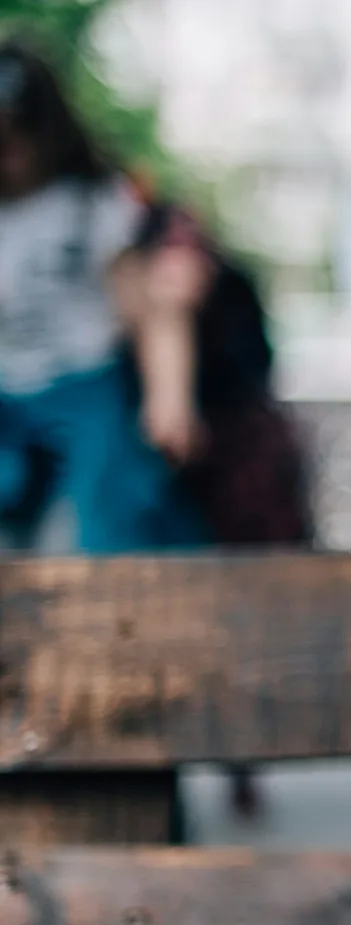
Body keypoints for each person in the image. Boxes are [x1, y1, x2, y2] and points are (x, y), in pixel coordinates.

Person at [0, 41, 205, 551]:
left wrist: (169, 398)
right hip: (6, 392)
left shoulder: (91, 202)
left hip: (86, 387)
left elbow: (153, 311)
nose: (12, 156)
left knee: (100, 520)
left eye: (19, 135)